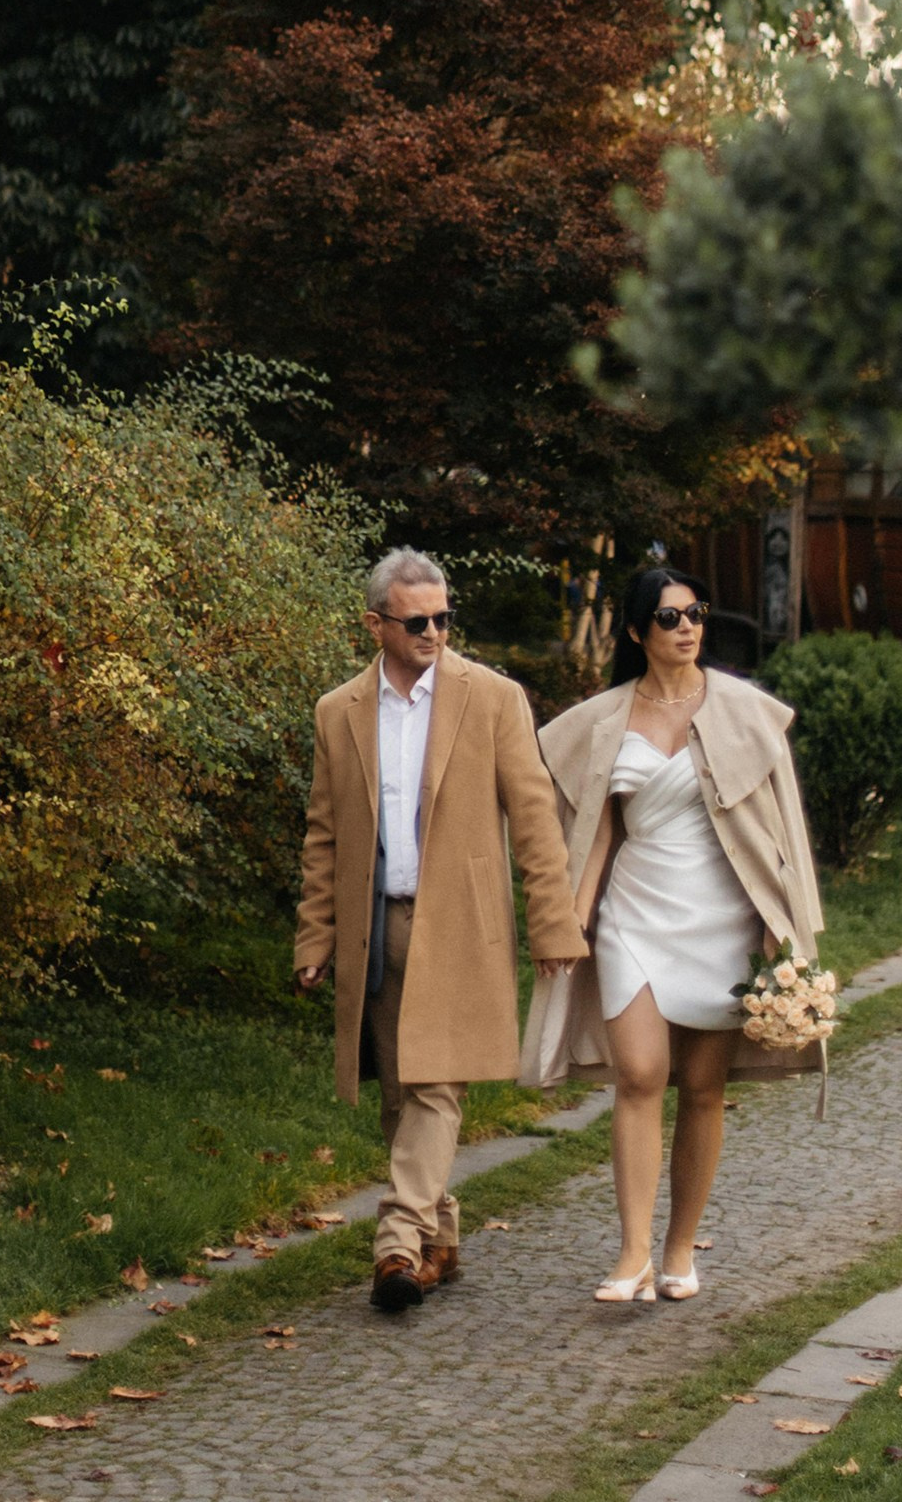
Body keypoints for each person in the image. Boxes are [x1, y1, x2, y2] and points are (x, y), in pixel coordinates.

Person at [518, 562, 825, 1306]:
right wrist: (572, 919)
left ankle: (681, 1248)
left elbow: (777, 829)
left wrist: (777, 926)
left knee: (703, 1088)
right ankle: (631, 1255)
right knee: (640, 1073)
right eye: (669, 617)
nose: (686, 627)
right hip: (637, 912)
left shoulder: (745, 712)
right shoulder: (605, 719)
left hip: (721, 918)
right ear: (635, 631)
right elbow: (597, 829)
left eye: (695, 613)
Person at [295, 548, 588, 1314]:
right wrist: (315, 939)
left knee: (434, 1088)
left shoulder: (492, 699)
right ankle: (439, 1238)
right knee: (400, 1096)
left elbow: (534, 819)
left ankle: (395, 1241)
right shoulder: (339, 712)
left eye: (444, 618)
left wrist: (553, 927)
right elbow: (323, 837)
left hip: (460, 926)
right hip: (378, 930)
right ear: (376, 625)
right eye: (418, 620)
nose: (434, 632)